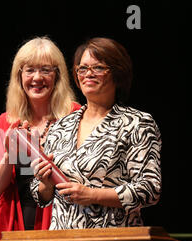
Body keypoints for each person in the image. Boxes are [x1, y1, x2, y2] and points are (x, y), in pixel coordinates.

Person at [0, 36, 80, 241]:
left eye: (45, 70)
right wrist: (9, 156)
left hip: (60, 224)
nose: (37, 77)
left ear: (57, 75)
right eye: (30, 70)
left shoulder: (75, 116)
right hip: (16, 226)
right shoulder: (5, 122)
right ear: (19, 76)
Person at [31, 37, 162, 230]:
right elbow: (40, 195)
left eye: (98, 68)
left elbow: (149, 189)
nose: (88, 74)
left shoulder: (136, 123)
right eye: (82, 69)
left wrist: (92, 195)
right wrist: (45, 184)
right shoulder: (61, 127)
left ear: (117, 73)